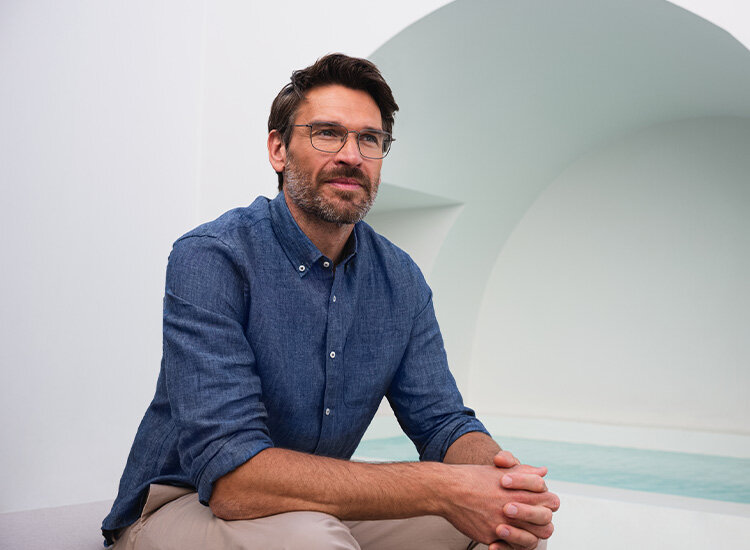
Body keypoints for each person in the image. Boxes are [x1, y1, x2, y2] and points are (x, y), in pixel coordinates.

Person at [102, 53, 559, 550]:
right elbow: (233, 479)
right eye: (327, 133)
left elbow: (443, 423)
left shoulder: (400, 278)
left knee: (503, 527)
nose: (352, 155)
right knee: (312, 539)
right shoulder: (212, 258)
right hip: (182, 502)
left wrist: (504, 487)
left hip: (309, 504)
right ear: (278, 149)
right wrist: (442, 487)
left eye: (370, 139)